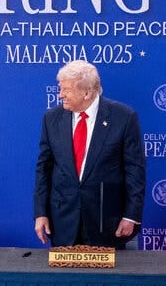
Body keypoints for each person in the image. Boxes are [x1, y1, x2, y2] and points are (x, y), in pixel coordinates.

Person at [34, 60, 145, 249]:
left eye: (66, 90)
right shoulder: (51, 119)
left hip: (106, 222)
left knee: (105, 279)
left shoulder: (124, 118)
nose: (61, 95)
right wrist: (40, 212)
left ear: (86, 93)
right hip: (63, 222)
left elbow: (135, 171)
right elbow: (44, 168)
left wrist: (131, 215)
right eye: (60, 89)